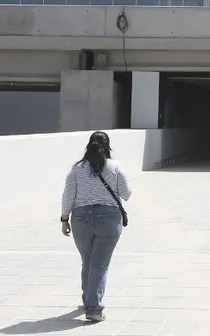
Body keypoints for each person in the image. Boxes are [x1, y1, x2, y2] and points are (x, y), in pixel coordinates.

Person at [60, 131, 133, 323]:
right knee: (100, 263)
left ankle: (88, 301)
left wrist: (64, 219)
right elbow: (127, 194)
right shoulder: (115, 167)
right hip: (108, 219)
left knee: (88, 260)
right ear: (108, 145)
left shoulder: (77, 169)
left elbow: (68, 195)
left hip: (80, 218)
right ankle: (94, 309)